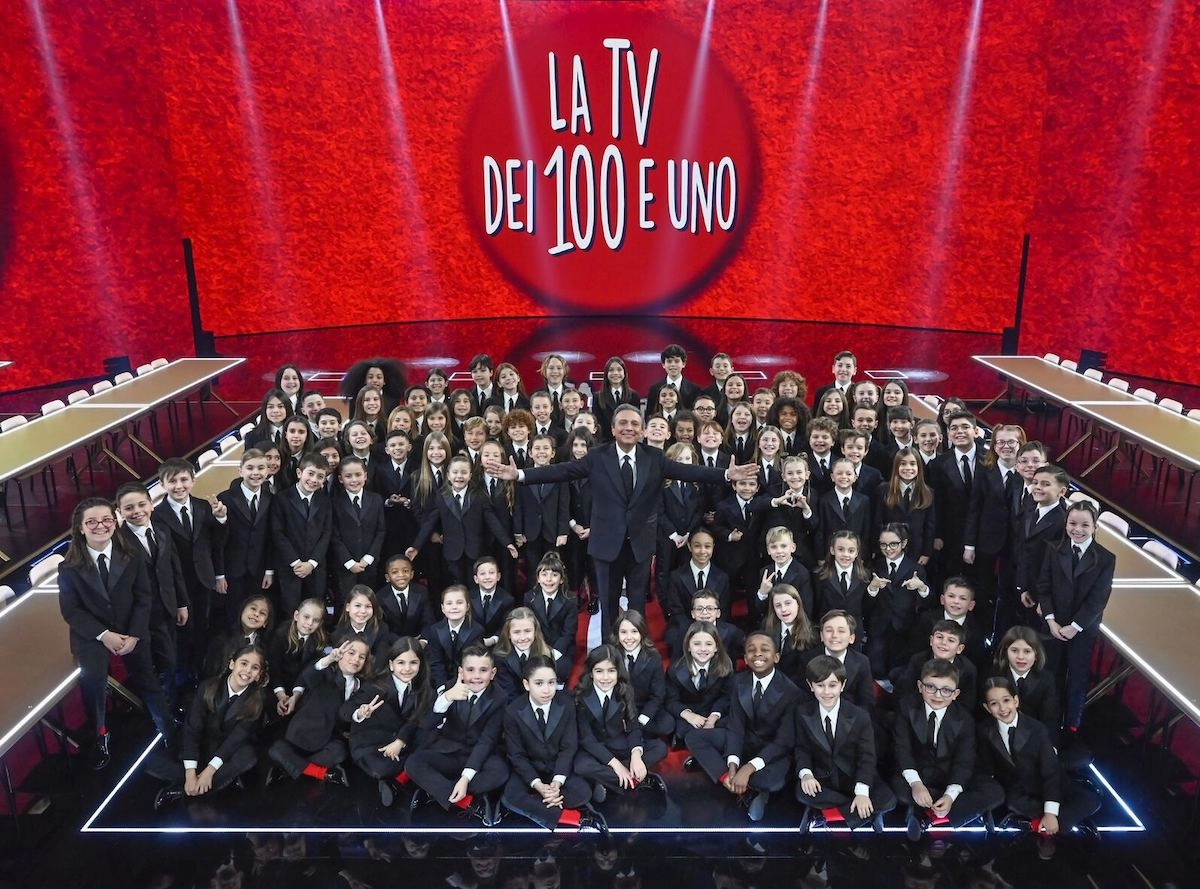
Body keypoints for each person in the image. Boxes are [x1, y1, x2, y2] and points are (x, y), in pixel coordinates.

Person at [486, 404, 755, 635]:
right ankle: (609, 654)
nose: (629, 428)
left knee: (637, 605)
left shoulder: (654, 457)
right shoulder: (597, 457)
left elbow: (689, 471)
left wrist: (725, 475)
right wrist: (521, 475)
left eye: (635, 424)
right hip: (606, 546)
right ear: (613, 429)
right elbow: (563, 471)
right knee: (608, 603)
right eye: (623, 423)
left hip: (640, 544)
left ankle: (636, 652)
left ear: (642, 431)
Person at [58, 497, 173, 769]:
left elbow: (143, 598)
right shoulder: (68, 567)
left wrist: (134, 634)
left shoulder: (132, 555)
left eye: (107, 520)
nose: (101, 526)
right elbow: (72, 611)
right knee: (94, 680)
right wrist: (103, 635)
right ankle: (100, 735)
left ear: (115, 522)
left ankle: (167, 727)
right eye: (92, 522)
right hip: (93, 633)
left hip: (130, 627)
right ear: (80, 528)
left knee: (147, 675)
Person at [977, 677, 1101, 859]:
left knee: (1091, 800)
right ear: (987, 708)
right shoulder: (984, 731)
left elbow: (1050, 771)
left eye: (1006, 700)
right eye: (994, 703)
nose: (1002, 708)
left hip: (1049, 780)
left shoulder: (1036, 729)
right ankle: (1051, 822)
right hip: (1018, 789)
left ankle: (1049, 822)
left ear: (1016, 701)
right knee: (1013, 801)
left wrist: (1051, 812)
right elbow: (987, 766)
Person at [686, 632, 800, 821]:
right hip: (747, 740)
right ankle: (730, 781)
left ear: (776, 657)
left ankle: (751, 786)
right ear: (745, 659)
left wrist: (748, 768)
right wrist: (732, 766)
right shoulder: (739, 682)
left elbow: (783, 742)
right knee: (694, 737)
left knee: (771, 781)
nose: (758, 654)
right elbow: (736, 726)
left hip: (772, 750)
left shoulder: (791, 692)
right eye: (751, 650)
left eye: (764, 650)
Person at [891, 659, 1004, 839]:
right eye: (931, 687)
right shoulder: (906, 707)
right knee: (897, 789)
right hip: (919, 772)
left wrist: (950, 795)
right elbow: (902, 749)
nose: (938, 695)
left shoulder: (965, 718)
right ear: (920, 686)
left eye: (946, 690)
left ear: (955, 694)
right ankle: (966, 810)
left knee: (995, 792)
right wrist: (916, 784)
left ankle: (926, 815)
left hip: (949, 773)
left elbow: (964, 761)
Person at [148, 644, 270, 810]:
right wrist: (190, 773)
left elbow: (235, 740)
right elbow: (192, 729)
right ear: (232, 664)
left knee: (248, 757)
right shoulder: (208, 687)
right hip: (203, 743)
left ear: (258, 675)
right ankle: (206, 784)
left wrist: (209, 771)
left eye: (254, 668)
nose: (248, 670)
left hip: (226, 750)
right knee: (153, 762)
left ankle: (188, 790)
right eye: (244, 663)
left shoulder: (257, 701)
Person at [406, 645, 509, 826]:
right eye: (471, 670)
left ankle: (438, 791)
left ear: (492, 673)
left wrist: (465, 778)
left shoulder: (500, 697)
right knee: (414, 763)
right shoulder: (449, 688)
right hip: (449, 751)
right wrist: (446, 699)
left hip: (479, 754)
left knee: (500, 772)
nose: (476, 676)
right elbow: (427, 725)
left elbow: (487, 740)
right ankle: (465, 801)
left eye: (483, 670)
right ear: (461, 672)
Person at [501, 656, 605, 832]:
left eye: (551, 682)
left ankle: (538, 806)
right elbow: (517, 755)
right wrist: (537, 785)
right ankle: (574, 818)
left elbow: (568, 747)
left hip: (557, 766)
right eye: (539, 683)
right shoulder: (513, 711)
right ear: (527, 684)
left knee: (582, 792)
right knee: (511, 796)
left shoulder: (566, 703)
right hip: (531, 769)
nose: (547, 690)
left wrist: (557, 782)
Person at [792, 655, 896, 832]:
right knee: (802, 792)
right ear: (810, 686)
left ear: (842, 685)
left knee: (888, 800)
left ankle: (823, 813)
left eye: (832, 685)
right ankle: (866, 813)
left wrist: (862, 793)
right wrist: (806, 774)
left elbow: (867, 756)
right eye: (820, 685)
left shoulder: (860, 716)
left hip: (854, 775)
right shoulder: (802, 713)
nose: (826, 692)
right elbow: (802, 749)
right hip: (823, 778)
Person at [1035, 501, 1115, 732]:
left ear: (1095, 527)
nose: (1077, 529)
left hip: (1082, 629)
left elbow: (1098, 599)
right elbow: (1043, 587)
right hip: (1053, 624)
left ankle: (1072, 724)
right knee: (1050, 671)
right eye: (1072, 523)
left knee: (1077, 675)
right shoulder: (1053, 549)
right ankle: (1047, 716)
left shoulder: (1106, 558)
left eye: (1085, 525)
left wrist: (1075, 626)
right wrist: (1051, 620)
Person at [154, 458, 226, 680]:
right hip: (177, 585)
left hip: (204, 578)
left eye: (184, 480)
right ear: (162, 484)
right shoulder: (156, 515)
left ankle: (201, 671)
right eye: (172, 481)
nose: (179, 486)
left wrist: (221, 519)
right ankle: (182, 675)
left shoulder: (204, 507)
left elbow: (216, 544)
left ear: (193, 481)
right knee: (183, 631)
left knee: (203, 626)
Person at [265, 639, 374, 788]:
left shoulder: (359, 685)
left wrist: (360, 714)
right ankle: (321, 773)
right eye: (351, 653)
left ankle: (289, 768)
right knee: (276, 749)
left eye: (362, 657)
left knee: (340, 752)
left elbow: (347, 713)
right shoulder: (324, 673)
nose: (356, 659)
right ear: (340, 653)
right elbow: (308, 675)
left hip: (328, 739)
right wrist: (329, 659)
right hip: (303, 734)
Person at [572, 644, 669, 804]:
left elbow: (633, 727)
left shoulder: (625, 690)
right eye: (599, 671)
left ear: (618, 672)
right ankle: (637, 781)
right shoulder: (580, 697)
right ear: (590, 673)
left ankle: (609, 781)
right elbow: (587, 740)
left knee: (659, 748)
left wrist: (636, 755)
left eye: (611, 671)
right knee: (581, 767)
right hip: (594, 749)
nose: (605, 677)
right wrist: (616, 765)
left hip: (618, 743)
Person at [350, 636, 433, 807]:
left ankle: (397, 781)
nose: (407, 669)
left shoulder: (425, 690)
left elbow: (416, 719)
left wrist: (400, 741)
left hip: (403, 740)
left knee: (433, 738)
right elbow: (344, 710)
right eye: (401, 663)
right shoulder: (375, 686)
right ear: (391, 665)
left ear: (421, 664)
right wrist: (360, 712)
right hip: (374, 743)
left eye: (413, 663)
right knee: (381, 768)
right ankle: (405, 775)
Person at [271, 453, 332, 614]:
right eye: (310, 474)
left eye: (320, 476)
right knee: (290, 611)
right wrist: (296, 562)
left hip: (315, 567)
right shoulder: (281, 498)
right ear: (299, 473)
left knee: (314, 610)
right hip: (290, 567)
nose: (314, 480)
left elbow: (326, 533)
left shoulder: (325, 500)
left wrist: (311, 563)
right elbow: (278, 533)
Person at [215, 448, 273, 617]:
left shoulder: (271, 499)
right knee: (233, 613)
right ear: (240, 470)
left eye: (261, 468)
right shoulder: (225, 498)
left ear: (267, 471)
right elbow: (217, 540)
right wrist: (219, 574)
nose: (256, 472)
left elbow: (271, 538)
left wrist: (269, 570)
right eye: (250, 468)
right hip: (232, 569)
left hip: (259, 569)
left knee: (256, 611)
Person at [612, 610, 674, 738]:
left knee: (667, 724)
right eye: (623, 632)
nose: (629, 637)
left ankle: (632, 730)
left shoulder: (653, 657)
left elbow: (658, 695)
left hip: (643, 707)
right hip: (620, 708)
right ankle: (634, 732)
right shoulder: (611, 655)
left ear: (642, 632)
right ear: (617, 634)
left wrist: (643, 718)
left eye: (634, 631)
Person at [267, 598, 327, 719]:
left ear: (320, 623)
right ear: (296, 616)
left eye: (315, 620)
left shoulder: (319, 640)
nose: (309, 623)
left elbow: (309, 671)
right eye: (306, 617)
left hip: (302, 686)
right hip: (277, 684)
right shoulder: (280, 634)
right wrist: (281, 696)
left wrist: (296, 695)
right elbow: (274, 669)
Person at [422, 584, 484, 693]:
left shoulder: (476, 631)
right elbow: (436, 662)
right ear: (443, 608)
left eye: (459, 603)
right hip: (440, 683)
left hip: (467, 683)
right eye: (449, 603)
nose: (454, 607)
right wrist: (442, 687)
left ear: (467, 606)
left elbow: (472, 663)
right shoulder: (435, 630)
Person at [645, 343, 701, 410]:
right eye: (669, 361)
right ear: (663, 365)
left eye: (676, 361)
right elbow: (650, 414)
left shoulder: (695, 390)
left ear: (683, 364)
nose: (673, 365)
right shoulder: (654, 389)